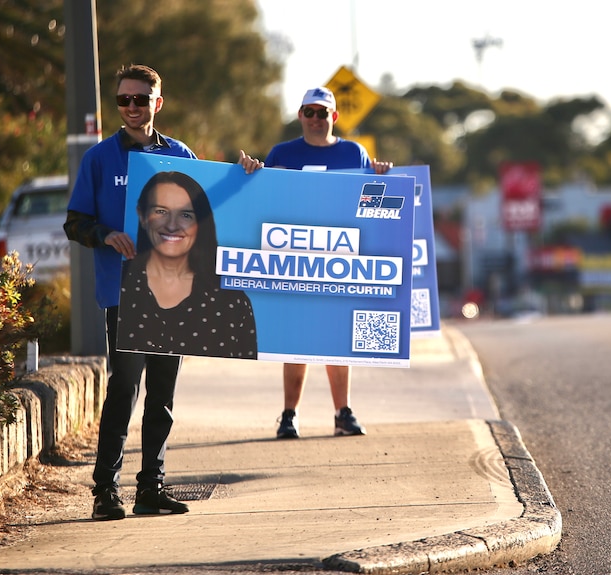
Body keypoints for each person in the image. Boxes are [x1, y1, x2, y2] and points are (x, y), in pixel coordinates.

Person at [64, 64, 263, 521]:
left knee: (163, 395)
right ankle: (104, 492)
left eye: (139, 99)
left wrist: (243, 176)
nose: (131, 107)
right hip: (124, 293)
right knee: (123, 390)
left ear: (157, 103)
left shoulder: (179, 153)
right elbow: (75, 222)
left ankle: (150, 489)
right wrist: (106, 235)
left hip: (174, 291)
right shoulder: (98, 159)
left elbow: (208, 206)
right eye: (123, 100)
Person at [264, 86, 393, 440]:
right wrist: (250, 172)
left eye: (324, 113)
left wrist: (380, 178)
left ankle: (342, 413)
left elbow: (372, 205)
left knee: (338, 337)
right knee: (297, 340)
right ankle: (289, 415)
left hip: (341, 259)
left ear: (334, 117)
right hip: (296, 260)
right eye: (310, 112)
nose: (317, 119)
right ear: (300, 115)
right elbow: (261, 200)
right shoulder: (281, 153)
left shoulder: (354, 153)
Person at [117, 170, 257, 358]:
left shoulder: (232, 302)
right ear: (141, 216)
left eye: (186, 215)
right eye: (161, 211)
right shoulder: (120, 284)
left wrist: (245, 173)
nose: (172, 225)